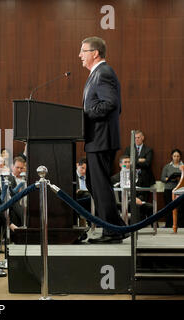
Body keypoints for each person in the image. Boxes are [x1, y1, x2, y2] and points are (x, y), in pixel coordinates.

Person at [79, 36, 126, 244]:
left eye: (83, 51)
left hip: (101, 139)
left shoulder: (103, 72)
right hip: (97, 139)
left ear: (95, 53)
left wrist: (88, 112)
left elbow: (112, 104)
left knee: (100, 185)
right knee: (94, 183)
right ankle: (116, 227)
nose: (79, 55)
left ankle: (112, 231)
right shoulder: (95, 74)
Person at [161, 149, 184, 227]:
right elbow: (162, 178)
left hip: (180, 190)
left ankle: (180, 225)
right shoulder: (167, 166)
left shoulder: (183, 166)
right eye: (174, 156)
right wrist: (169, 178)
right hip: (169, 190)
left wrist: (179, 178)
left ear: (180, 157)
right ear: (172, 156)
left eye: (178, 156)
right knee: (169, 207)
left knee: (180, 208)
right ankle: (169, 225)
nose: (176, 158)